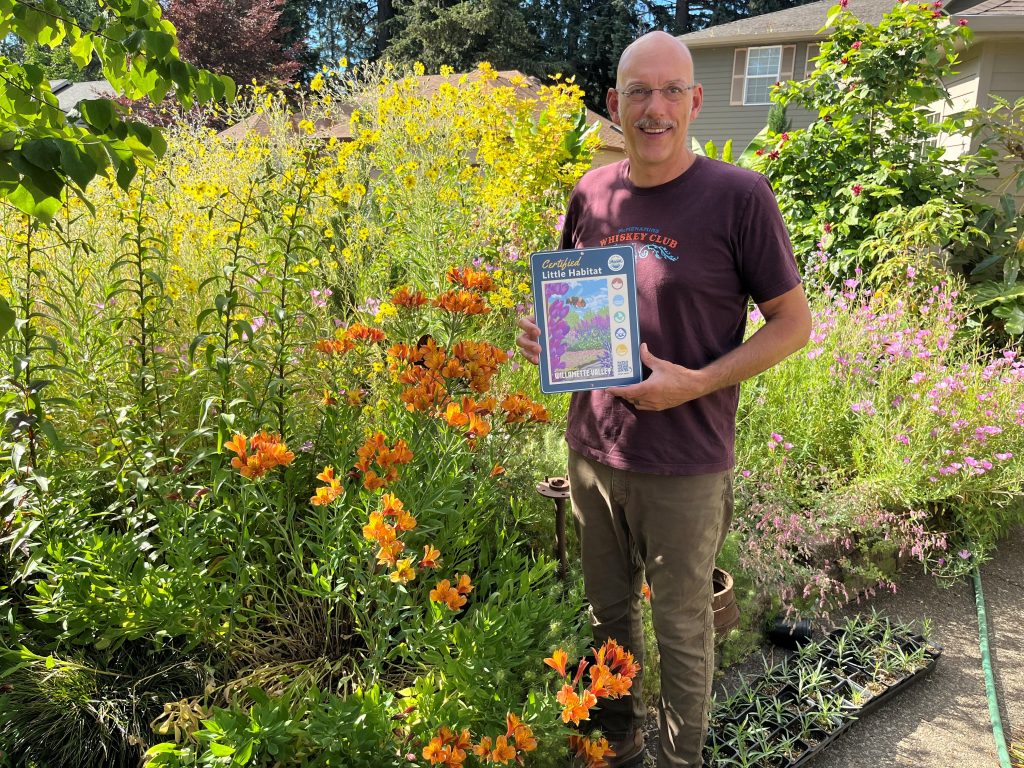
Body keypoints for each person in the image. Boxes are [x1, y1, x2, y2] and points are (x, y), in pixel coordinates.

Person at [516, 31, 812, 768]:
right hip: (594, 451)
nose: (654, 108)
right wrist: (550, 342)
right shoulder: (593, 191)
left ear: (695, 101)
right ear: (615, 105)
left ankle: (681, 762)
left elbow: (794, 324)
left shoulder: (738, 196)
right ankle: (620, 747)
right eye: (638, 93)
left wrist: (698, 381)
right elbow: (583, 309)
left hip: (685, 464)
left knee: (683, 627)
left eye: (670, 91)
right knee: (607, 614)